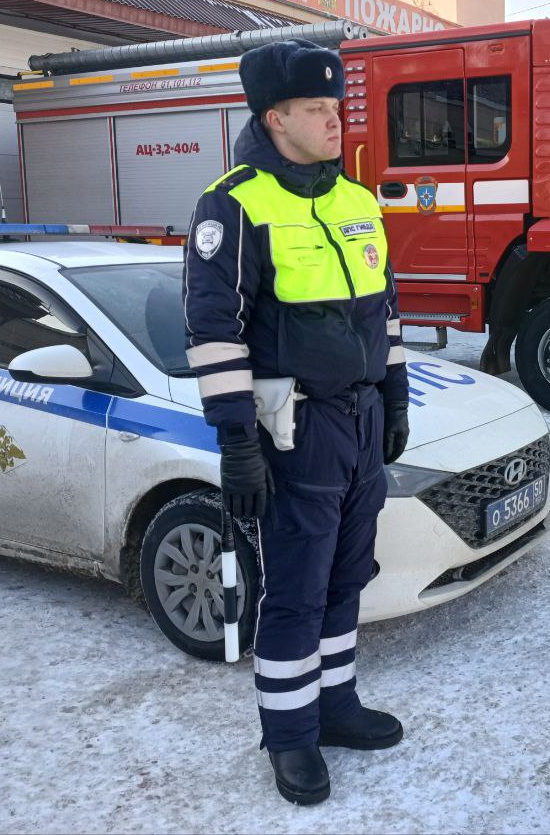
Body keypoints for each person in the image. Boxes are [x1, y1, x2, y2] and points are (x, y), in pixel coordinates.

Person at [184, 40, 410, 805]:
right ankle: (289, 735)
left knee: (349, 576)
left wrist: (398, 389)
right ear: (273, 117)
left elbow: (385, 306)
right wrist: (237, 440)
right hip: (294, 430)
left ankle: (335, 705)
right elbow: (215, 331)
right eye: (317, 110)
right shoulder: (235, 204)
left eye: (334, 106)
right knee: (296, 590)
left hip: (362, 418)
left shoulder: (356, 199)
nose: (334, 121)